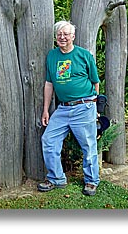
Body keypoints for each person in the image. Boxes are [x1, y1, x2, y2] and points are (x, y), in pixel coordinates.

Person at [37, 20, 100, 196]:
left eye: (66, 34)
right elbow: (49, 84)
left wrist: (93, 105)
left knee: (88, 145)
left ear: (73, 36)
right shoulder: (52, 56)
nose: (62, 37)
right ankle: (56, 178)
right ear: (56, 37)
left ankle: (91, 181)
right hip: (63, 109)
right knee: (49, 140)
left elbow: (95, 82)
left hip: (83, 107)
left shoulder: (84, 55)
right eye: (59, 34)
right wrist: (46, 109)